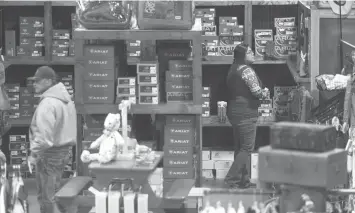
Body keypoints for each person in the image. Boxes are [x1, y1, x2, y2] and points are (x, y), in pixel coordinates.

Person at [27, 66, 77, 213]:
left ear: (48, 81)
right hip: (63, 153)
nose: (34, 84)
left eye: (37, 81)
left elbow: (44, 139)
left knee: (46, 198)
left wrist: (33, 155)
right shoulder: (66, 100)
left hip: (49, 156)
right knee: (56, 193)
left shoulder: (48, 103)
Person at [224, 43, 269, 188]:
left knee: (240, 147)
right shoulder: (247, 70)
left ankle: (243, 180)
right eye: (249, 52)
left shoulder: (233, 69)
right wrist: (265, 92)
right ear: (242, 55)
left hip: (234, 112)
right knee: (247, 148)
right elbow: (257, 92)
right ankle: (231, 179)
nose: (253, 54)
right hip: (246, 112)